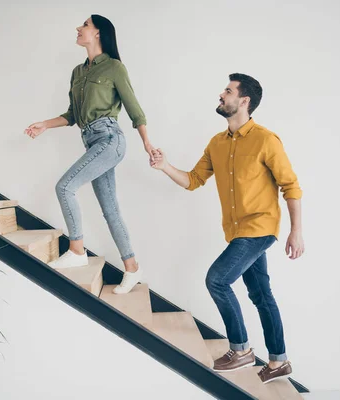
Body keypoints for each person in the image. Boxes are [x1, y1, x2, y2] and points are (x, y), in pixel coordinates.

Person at [150, 73, 304, 383]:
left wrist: (295, 231)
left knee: (217, 280)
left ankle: (241, 349)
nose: (222, 94)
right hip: (236, 232)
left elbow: (291, 186)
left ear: (244, 101)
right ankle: (279, 361)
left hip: (259, 228)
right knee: (261, 295)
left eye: (228, 90)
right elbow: (193, 180)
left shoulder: (266, 139)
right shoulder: (217, 143)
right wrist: (165, 166)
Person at [25, 15, 154, 295]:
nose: (78, 28)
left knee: (64, 186)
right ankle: (132, 268)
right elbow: (72, 115)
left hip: (110, 139)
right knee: (110, 210)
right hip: (92, 142)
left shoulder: (114, 67)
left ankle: (76, 249)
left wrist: (147, 144)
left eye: (84, 24)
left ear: (98, 33)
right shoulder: (78, 72)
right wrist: (44, 125)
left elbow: (135, 110)